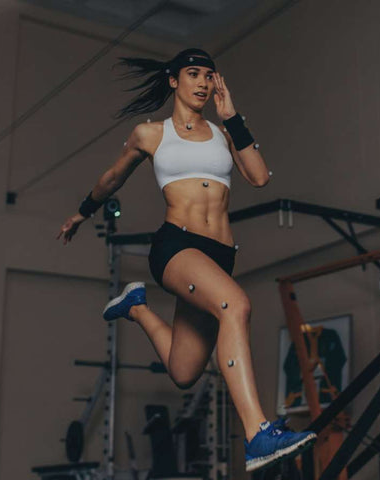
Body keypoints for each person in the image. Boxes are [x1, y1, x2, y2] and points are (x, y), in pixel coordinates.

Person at [56, 48, 315, 472]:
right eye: (193, 74)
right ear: (174, 80)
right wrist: (83, 212)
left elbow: (259, 176)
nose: (203, 83)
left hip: (218, 255)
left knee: (183, 370)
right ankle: (257, 435)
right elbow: (113, 176)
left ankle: (136, 307)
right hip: (177, 246)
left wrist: (232, 117)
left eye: (210, 76)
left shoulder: (221, 131)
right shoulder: (151, 134)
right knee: (237, 305)